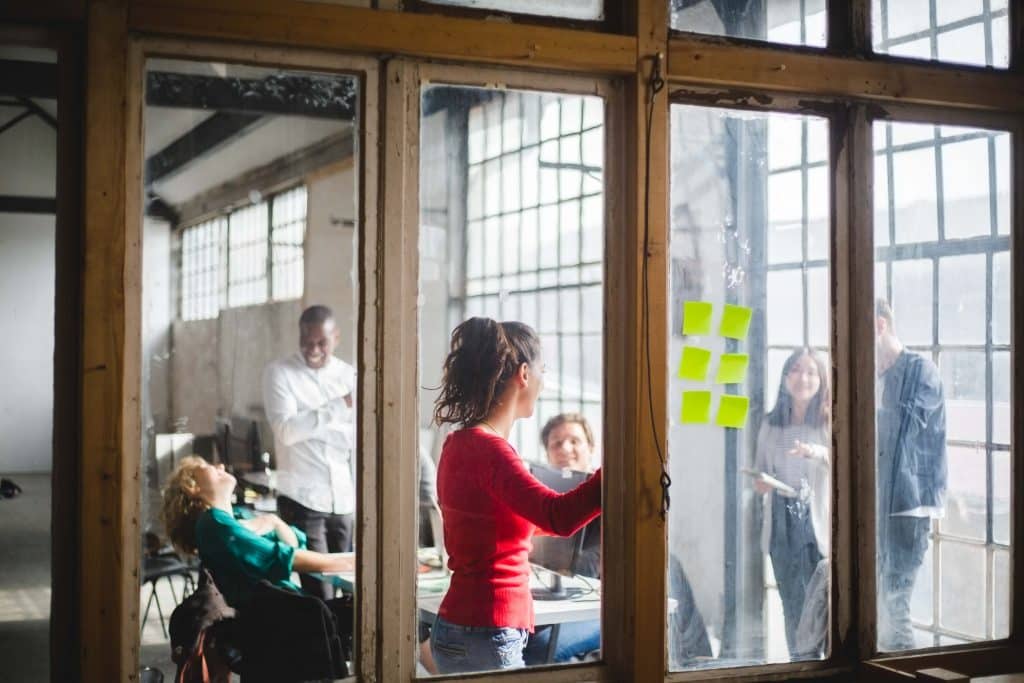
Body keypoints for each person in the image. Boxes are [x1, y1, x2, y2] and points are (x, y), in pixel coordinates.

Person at [430, 318, 602, 674]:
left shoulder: (458, 443)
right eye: (542, 370)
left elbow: (500, 525)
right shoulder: (494, 451)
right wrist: (618, 467)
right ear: (524, 374)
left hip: (460, 625)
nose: (543, 380)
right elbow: (558, 516)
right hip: (487, 630)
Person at [161, 456, 354, 610]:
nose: (219, 465)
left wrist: (274, 521)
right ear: (193, 487)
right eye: (208, 466)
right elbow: (285, 557)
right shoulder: (214, 523)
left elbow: (294, 543)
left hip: (282, 614)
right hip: (274, 625)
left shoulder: (234, 518)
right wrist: (351, 562)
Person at [262, 304, 357, 601]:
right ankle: (325, 649)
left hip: (343, 499)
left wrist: (314, 424)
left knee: (349, 591)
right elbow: (287, 432)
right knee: (319, 596)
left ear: (336, 338)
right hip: (302, 498)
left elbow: (356, 436)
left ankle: (345, 649)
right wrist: (339, 405)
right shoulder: (279, 374)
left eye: (322, 343)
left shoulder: (349, 375)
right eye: (307, 342)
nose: (313, 349)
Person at [875, 299, 946, 651]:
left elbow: (905, 429)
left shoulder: (921, 371)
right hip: (877, 502)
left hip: (908, 507)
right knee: (876, 606)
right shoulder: (877, 375)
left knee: (894, 606)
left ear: (879, 326)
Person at [752, 348, 831, 659]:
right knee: (791, 604)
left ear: (821, 380)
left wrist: (815, 452)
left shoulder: (827, 421)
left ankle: (819, 668)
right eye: (796, 370)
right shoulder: (771, 423)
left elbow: (846, 463)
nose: (803, 378)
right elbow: (760, 468)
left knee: (819, 605)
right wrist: (760, 482)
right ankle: (797, 667)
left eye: (811, 372)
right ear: (785, 378)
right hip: (781, 520)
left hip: (816, 522)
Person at [523, 413, 601, 665]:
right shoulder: (546, 497)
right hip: (562, 601)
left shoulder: (607, 496)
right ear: (547, 453)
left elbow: (590, 566)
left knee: (537, 648)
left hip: (601, 608)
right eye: (556, 443)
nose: (566, 449)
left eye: (574, 441)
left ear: (590, 448)